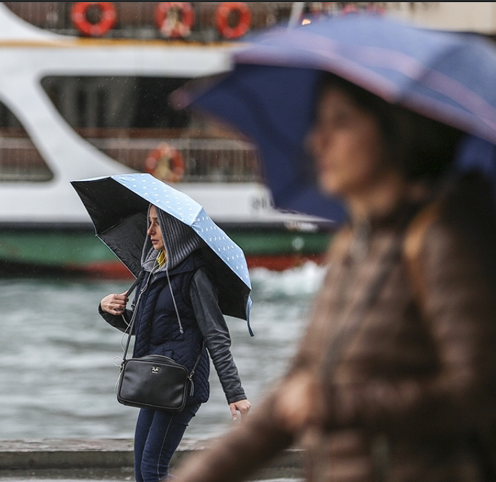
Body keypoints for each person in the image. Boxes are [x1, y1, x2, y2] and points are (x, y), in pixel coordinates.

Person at [173, 74, 496, 482]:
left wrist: (338, 404)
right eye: (319, 124)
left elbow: (477, 394)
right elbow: (294, 393)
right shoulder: (352, 246)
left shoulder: (441, 241)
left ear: (396, 133)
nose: (317, 142)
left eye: (341, 123)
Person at [99, 204, 251, 482]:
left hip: (181, 385)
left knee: (152, 471)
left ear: (174, 228)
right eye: (149, 222)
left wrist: (235, 393)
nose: (149, 231)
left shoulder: (196, 275)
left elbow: (215, 334)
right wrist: (108, 309)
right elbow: (139, 326)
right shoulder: (151, 268)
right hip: (152, 382)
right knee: (142, 475)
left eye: (157, 223)